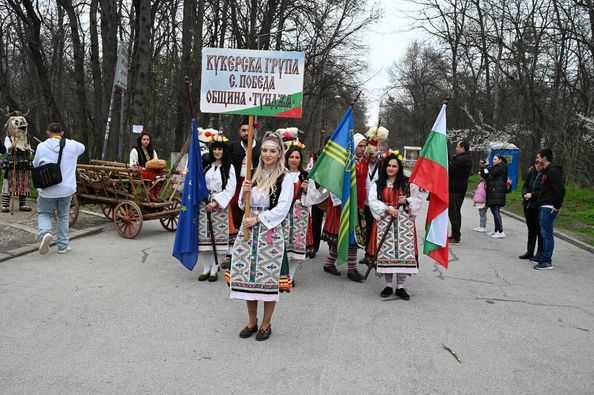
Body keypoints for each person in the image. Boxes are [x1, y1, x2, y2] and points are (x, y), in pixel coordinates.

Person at [227, 131, 293, 341]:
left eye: (272, 151)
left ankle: (266, 323)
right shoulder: (252, 174)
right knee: (248, 279)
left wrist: (258, 219)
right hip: (248, 233)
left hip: (269, 233)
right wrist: (244, 191)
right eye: (264, 150)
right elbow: (240, 205)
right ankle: (252, 321)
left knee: (268, 281)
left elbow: (282, 208)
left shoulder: (286, 177)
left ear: (279, 153)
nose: (267, 154)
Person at [367, 152, 422, 299]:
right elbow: (372, 200)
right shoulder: (378, 183)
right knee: (387, 254)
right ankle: (388, 285)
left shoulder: (407, 183)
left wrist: (407, 200)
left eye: (394, 166)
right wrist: (387, 208)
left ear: (399, 168)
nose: (391, 168)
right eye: (389, 166)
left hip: (404, 223)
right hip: (385, 221)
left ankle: (401, 287)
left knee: (403, 254)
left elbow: (417, 199)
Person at [320, 133, 367, 282]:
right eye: (360, 146)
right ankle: (351, 270)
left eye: (364, 146)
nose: (363, 149)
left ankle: (329, 264)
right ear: (353, 146)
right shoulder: (344, 163)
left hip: (358, 205)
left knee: (352, 237)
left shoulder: (363, 163)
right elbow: (334, 182)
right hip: (344, 205)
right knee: (346, 237)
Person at [32, 123, 85, 255]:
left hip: (47, 189)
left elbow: (35, 164)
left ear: (48, 132)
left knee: (44, 213)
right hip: (66, 189)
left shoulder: (41, 146)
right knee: (63, 215)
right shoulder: (73, 145)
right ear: (62, 133)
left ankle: (45, 233)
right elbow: (82, 148)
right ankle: (63, 246)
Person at [197, 134, 236, 282]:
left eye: (220, 149)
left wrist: (216, 202)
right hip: (204, 204)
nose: (217, 152)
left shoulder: (228, 167)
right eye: (215, 149)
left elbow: (231, 188)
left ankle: (214, 269)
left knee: (218, 239)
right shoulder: (206, 165)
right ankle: (206, 268)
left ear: (224, 150)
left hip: (219, 206)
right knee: (204, 239)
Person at [226, 118, 261, 268]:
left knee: (252, 217)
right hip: (237, 184)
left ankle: (252, 252)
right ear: (239, 132)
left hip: (256, 184)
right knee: (235, 215)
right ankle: (232, 253)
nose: (247, 133)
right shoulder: (233, 148)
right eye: (243, 131)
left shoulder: (261, 148)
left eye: (249, 130)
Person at [282, 141, 314, 285]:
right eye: (291, 157)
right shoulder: (281, 174)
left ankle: (290, 275)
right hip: (283, 213)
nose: (294, 160)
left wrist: (307, 190)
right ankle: (282, 273)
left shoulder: (305, 176)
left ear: (301, 160)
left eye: (297, 157)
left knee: (297, 246)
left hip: (300, 214)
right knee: (283, 244)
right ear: (287, 158)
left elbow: (313, 198)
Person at [359, 125, 388, 265]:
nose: (373, 156)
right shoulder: (362, 164)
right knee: (366, 228)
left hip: (376, 201)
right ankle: (366, 252)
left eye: (375, 154)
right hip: (364, 201)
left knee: (376, 228)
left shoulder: (382, 165)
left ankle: (374, 253)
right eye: (371, 154)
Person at [533, 148, 565, 270]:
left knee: (547, 234)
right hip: (544, 205)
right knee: (544, 233)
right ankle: (543, 258)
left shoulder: (553, 171)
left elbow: (560, 189)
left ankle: (547, 261)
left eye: (538, 157)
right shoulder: (546, 171)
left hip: (549, 206)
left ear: (544, 158)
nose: (536, 159)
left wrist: (557, 205)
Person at [2, 111, 33, 212]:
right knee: (8, 181)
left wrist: (28, 150)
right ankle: (5, 205)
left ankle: (22, 204)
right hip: (12, 162)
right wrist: (12, 147)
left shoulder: (25, 139)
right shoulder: (9, 138)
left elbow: (30, 152)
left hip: (23, 162)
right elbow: (7, 149)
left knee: (23, 182)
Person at [447, 141, 472, 244]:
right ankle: (455, 234)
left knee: (454, 213)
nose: (456, 149)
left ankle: (456, 237)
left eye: (457, 147)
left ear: (462, 148)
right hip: (459, 189)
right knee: (456, 212)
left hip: (455, 189)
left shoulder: (461, 159)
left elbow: (449, 170)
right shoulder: (465, 158)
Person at [129, 130, 164, 201]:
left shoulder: (152, 151)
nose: (146, 141)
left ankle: (155, 194)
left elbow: (156, 161)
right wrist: (140, 168)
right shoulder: (135, 150)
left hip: (151, 171)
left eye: (148, 139)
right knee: (154, 176)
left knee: (161, 176)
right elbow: (133, 164)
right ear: (140, 140)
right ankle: (150, 194)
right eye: (144, 139)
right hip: (139, 172)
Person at [519, 159, 544, 260]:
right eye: (536, 164)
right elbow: (525, 186)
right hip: (527, 205)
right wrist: (525, 194)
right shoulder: (531, 173)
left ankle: (539, 253)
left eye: (540, 164)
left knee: (539, 230)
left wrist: (532, 195)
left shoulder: (545, 175)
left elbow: (544, 191)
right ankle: (530, 251)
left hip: (537, 206)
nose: (537, 166)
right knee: (531, 229)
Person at [480, 155, 508, 238]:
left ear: (500, 160)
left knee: (496, 211)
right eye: (493, 159)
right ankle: (496, 230)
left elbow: (493, 172)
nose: (493, 160)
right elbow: (485, 175)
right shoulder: (494, 168)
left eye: (495, 159)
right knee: (494, 211)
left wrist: (488, 167)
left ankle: (501, 231)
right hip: (493, 192)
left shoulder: (502, 166)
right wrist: (483, 167)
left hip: (497, 192)